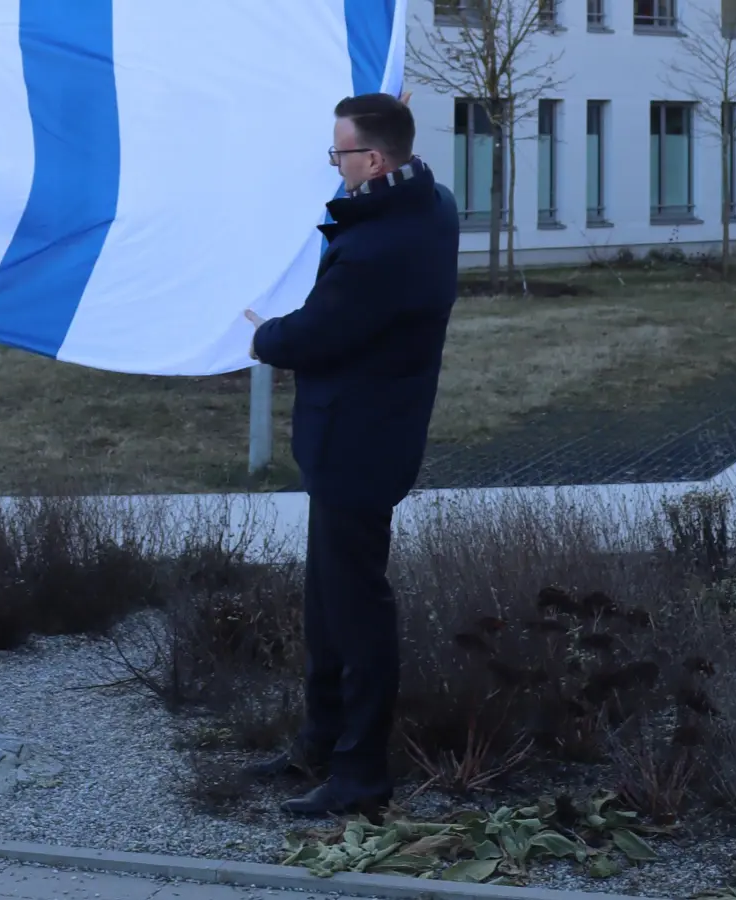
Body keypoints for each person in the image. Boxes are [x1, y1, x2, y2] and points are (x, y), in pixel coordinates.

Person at [243, 91, 459, 816]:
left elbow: (313, 333)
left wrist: (263, 335)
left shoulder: (379, 248)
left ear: (371, 160)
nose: (333, 165)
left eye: (339, 154)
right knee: (327, 603)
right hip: (366, 437)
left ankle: (360, 775)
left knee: (356, 612)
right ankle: (321, 741)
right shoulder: (430, 204)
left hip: (357, 446)